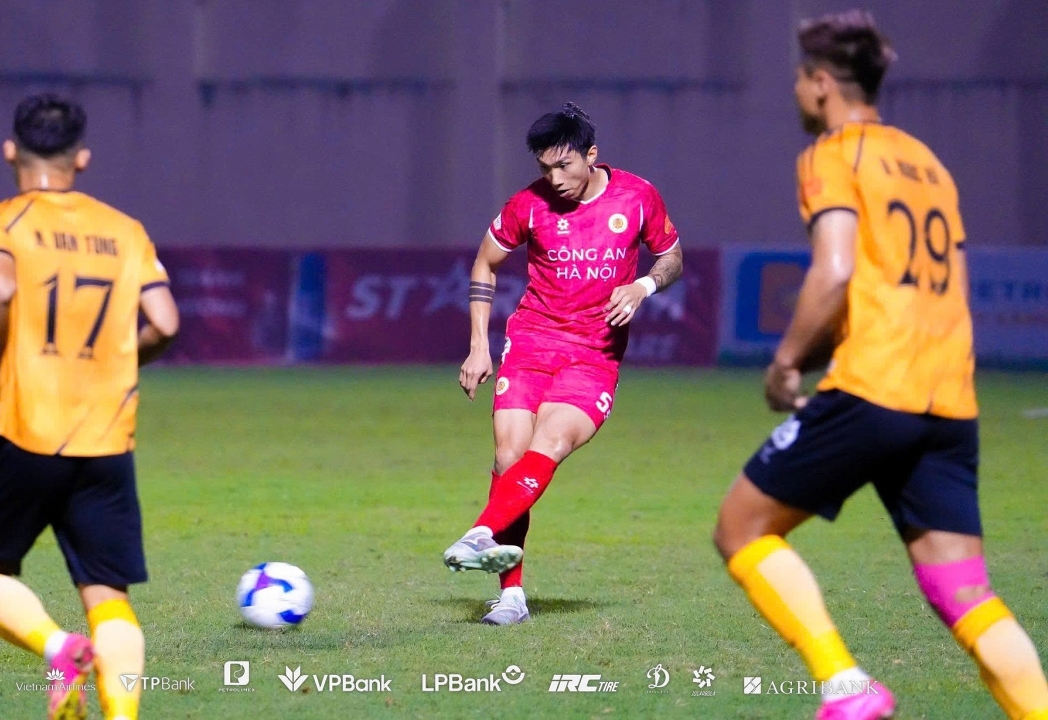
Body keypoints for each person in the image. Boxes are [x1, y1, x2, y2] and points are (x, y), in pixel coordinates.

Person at [712, 11, 1048, 720]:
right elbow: (931, 289)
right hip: (948, 399)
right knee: (966, 594)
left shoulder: (833, 155)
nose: (796, 92)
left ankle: (846, 685)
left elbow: (834, 272)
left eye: (799, 79)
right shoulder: (929, 164)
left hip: (874, 386)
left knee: (742, 528)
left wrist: (786, 363)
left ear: (822, 83)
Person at [0, 94, 179, 720]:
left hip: (30, 432)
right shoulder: (125, 230)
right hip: (108, 440)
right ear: (83, 159)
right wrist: (116, 361)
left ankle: (58, 647)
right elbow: (165, 322)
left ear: (10, 151)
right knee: (108, 594)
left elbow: (0, 288)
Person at [445, 102, 683, 625]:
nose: (554, 179)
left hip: (594, 354)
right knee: (509, 458)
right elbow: (485, 261)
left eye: (564, 165)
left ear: (590, 155)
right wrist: (479, 345)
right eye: (544, 168)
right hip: (532, 342)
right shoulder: (527, 205)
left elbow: (672, 256)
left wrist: (643, 286)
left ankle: (481, 532)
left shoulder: (636, 197)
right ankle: (512, 598)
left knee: (550, 443)